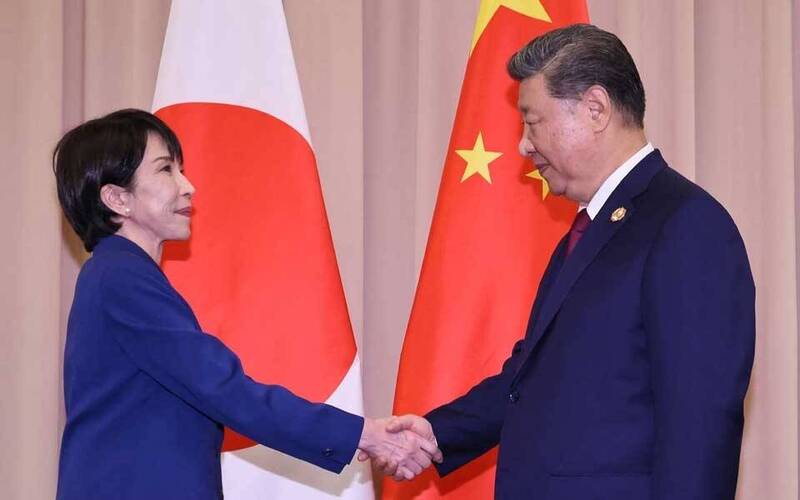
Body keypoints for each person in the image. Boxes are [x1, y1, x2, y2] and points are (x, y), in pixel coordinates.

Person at [386, 24, 755, 499]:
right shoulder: (588, 232)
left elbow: (700, 427)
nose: (523, 144)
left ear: (595, 108)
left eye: (532, 121)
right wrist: (436, 434)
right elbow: (530, 379)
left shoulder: (686, 225)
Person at [53, 109, 440, 500]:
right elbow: (222, 387)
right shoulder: (121, 277)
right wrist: (364, 435)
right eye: (166, 169)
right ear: (117, 198)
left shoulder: (118, 274)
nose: (188, 186)